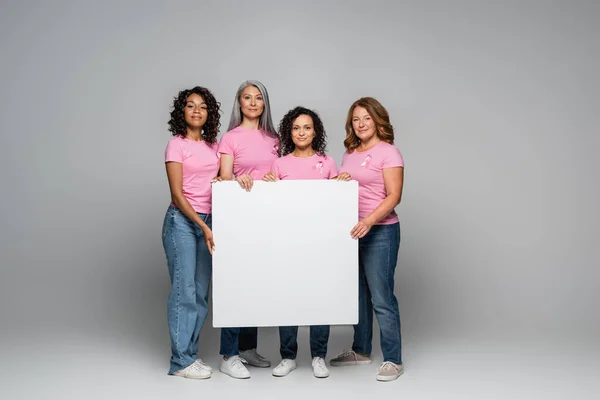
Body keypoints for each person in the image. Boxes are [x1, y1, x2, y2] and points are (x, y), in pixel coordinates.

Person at [329, 97, 405, 381]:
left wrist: (369, 221)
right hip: (352, 232)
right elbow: (347, 188)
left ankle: (393, 359)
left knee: (382, 297)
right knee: (358, 295)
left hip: (381, 230)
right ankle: (360, 350)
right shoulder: (349, 153)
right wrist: (342, 180)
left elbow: (394, 195)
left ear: (377, 120)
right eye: (356, 119)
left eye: (366, 119)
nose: (361, 124)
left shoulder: (389, 153)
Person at [262, 106, 338, 378]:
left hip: (320, 244)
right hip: (288, 243)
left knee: (320, 297)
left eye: (307, 127)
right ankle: (288, 356)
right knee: (287, 297)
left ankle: (319, 355)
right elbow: (271, 205)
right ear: (289, 132)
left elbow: (336, 204)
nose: (301, 132)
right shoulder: (280, 164)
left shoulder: (327, 162)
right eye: (296, 128)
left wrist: (343, 183)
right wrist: (268, 183)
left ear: (315, 131)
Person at [217, 80, 279, 379]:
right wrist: (236, 180)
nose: (253, 103)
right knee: (235, 284)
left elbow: (283, 173)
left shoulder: (274, 138)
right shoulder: (230, 138)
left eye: (258, 98)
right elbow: (224, 178)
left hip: (267, 220)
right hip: (239, 219)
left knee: (256, 284)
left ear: (265, 103)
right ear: (239, 103)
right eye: (247, 98)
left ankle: (246, 348)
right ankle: (228, 354)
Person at [162, 86, 221, 379]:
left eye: (202, 106)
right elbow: (177, 193)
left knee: (200, 294)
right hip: (183, 223)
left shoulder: (214, 146)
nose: (196, 110)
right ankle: (180, 361)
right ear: (181, 112)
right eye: (190, 105)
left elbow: (224, 181)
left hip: (208, 223)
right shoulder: (177, 145)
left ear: (209, 113)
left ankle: (190, 354)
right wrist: (202, 226)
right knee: (184, 291)